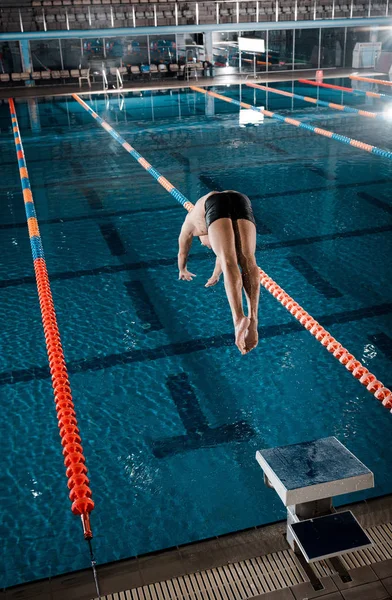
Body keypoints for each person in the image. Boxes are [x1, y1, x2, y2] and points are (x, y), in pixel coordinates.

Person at [178, 190, 260, 355]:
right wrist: (216, 275)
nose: (206, 245)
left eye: (203, 244)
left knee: (229, 259)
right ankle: (253, 321)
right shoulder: (200, 219)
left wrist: (182, 269)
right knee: (248, 260)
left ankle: (238, 319)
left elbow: (182, 252)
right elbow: (220, 255)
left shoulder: (191, 226)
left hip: (214, 202)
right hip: (240, 198)